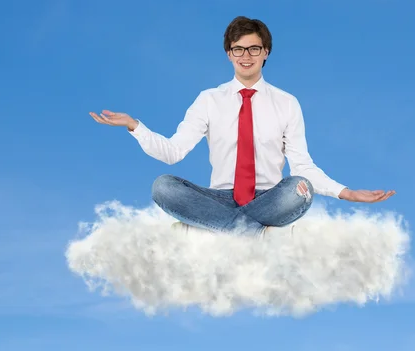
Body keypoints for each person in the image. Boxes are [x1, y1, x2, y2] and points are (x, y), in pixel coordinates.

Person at [90, 16, 395, 238]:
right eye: (238, 49)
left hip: (271, 197)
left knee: (300, 189)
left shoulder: (287, 103)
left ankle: (216, 229)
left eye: (253, 49)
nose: (245, 56)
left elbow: (303, 165)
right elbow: (174, 152)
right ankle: (250, 233)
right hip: (220, 197)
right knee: (163, 186)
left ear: (266, 53)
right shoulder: (209, 99)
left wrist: (348, 193)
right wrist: (134, 126)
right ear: (228, 54)